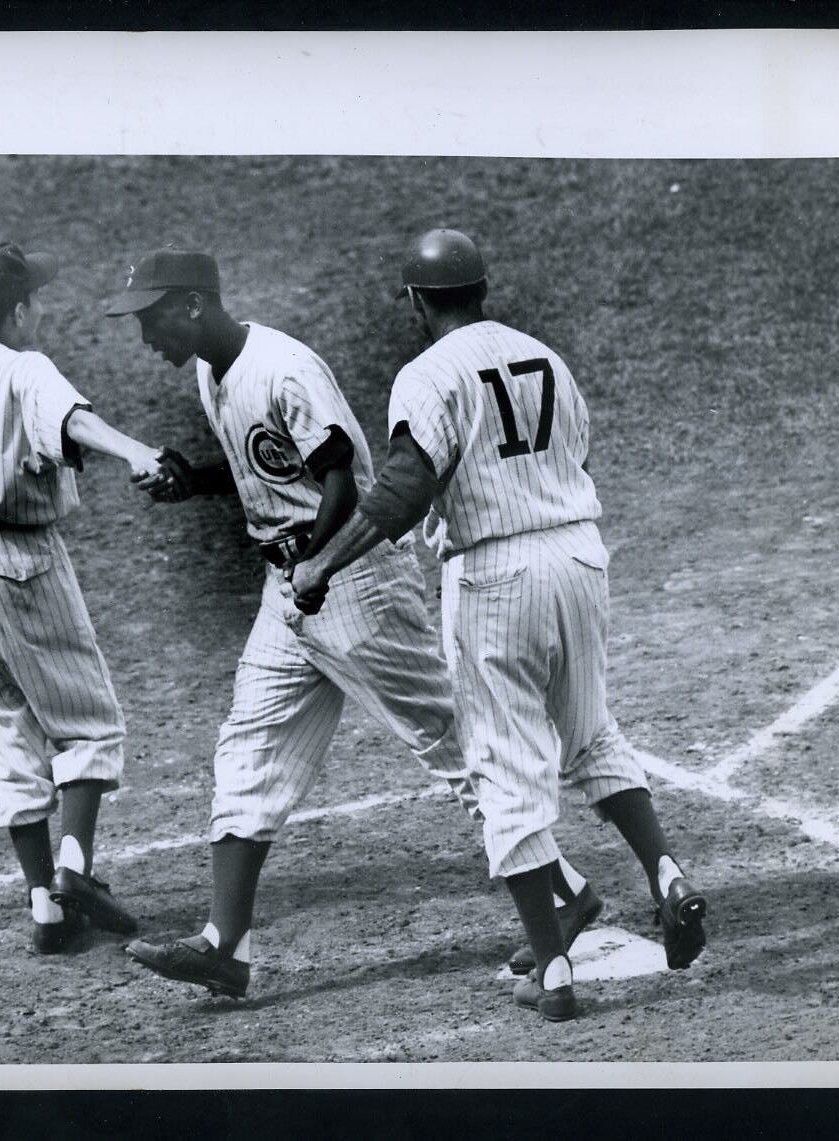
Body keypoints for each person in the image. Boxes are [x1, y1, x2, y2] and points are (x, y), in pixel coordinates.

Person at [102, 245, 588, 1000]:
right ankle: (224, 945)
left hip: (353, 583)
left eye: (151, 316)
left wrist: (316, 568)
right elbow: (266, 473)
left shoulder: (283, 368)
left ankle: (565, 897)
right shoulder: (212, 371)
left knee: (455, 743)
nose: (143, 336)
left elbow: (340, 481)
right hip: (288, 586)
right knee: (248, 748)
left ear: (193, 304)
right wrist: (192, 481)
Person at [292, 229, 708, 1022]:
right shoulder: (543, 355)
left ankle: (550, 970)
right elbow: (577, 455)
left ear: (417, 300)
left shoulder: (426, 374)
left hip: (495, 574)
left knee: (502, 763)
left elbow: (405, 488)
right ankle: (665, 874)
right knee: (590, 734)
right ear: (482, 289)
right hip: (579, 555)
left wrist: (319, 566)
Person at [0, 240, 166, 953]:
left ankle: (45, 908)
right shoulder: (25, 367)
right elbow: (71, 421)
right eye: (35, 298)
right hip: (18, 558)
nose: (41, 309)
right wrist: (136, 452)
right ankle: (75, 869)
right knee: (85, 724)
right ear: (18, 310)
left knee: (3, 739)